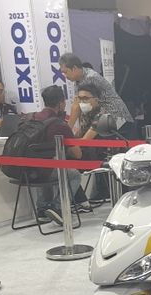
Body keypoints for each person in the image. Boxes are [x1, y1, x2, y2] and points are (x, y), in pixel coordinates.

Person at [31, 85, 87, 224]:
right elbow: (77, 154)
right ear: (61, 103)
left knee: (46, 163)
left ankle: (42, 209)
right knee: (73, 174)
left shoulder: (32, 118)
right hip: (44, 170)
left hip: (26, 170)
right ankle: (58, 207)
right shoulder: (59, 124)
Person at [58, 53, 134, 137]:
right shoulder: (78, 80)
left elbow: (76, 107)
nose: (65, 76)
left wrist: (67, 132)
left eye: (65, 72)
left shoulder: (91, 78)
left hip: (117, 120)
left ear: (74, 68)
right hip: (103, 120)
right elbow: (78, 107)